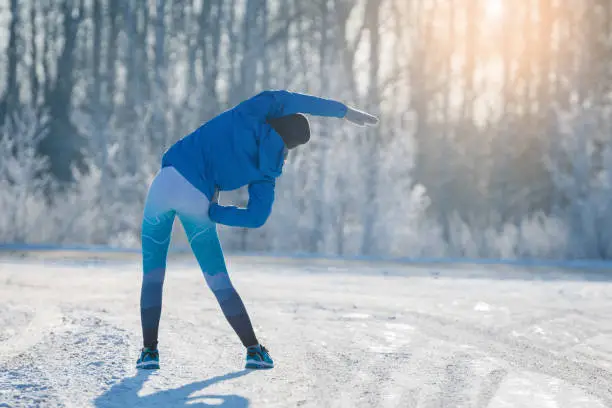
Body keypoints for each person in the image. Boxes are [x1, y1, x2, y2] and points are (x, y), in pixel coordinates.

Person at [137, 90, 378, 370]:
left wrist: (343, 110)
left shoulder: (254, 111)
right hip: (198, 201)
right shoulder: (268, 171)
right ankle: (253, 350)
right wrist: (215, 212)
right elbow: (256, 218)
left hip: (166, 181)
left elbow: (303, 102)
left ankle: (149, 352)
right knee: (218, 280)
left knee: (153, 273)